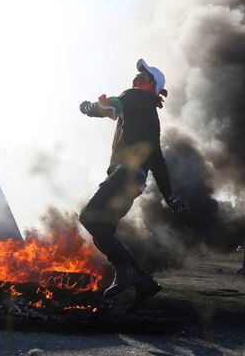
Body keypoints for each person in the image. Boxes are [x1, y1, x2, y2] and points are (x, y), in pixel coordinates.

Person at [78, 59, 185, 308]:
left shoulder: (134, 96)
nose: (137, 80)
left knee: (89, 217)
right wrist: (170, 196)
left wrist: (89, 108)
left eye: (144, 78)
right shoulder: (150, 117)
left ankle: (126, 271)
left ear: (152, 86)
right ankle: (143, 282)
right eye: (137, 77)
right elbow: (157, 160)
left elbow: (113, 104)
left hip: (125, 174)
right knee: (103, 232)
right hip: (136, 182)